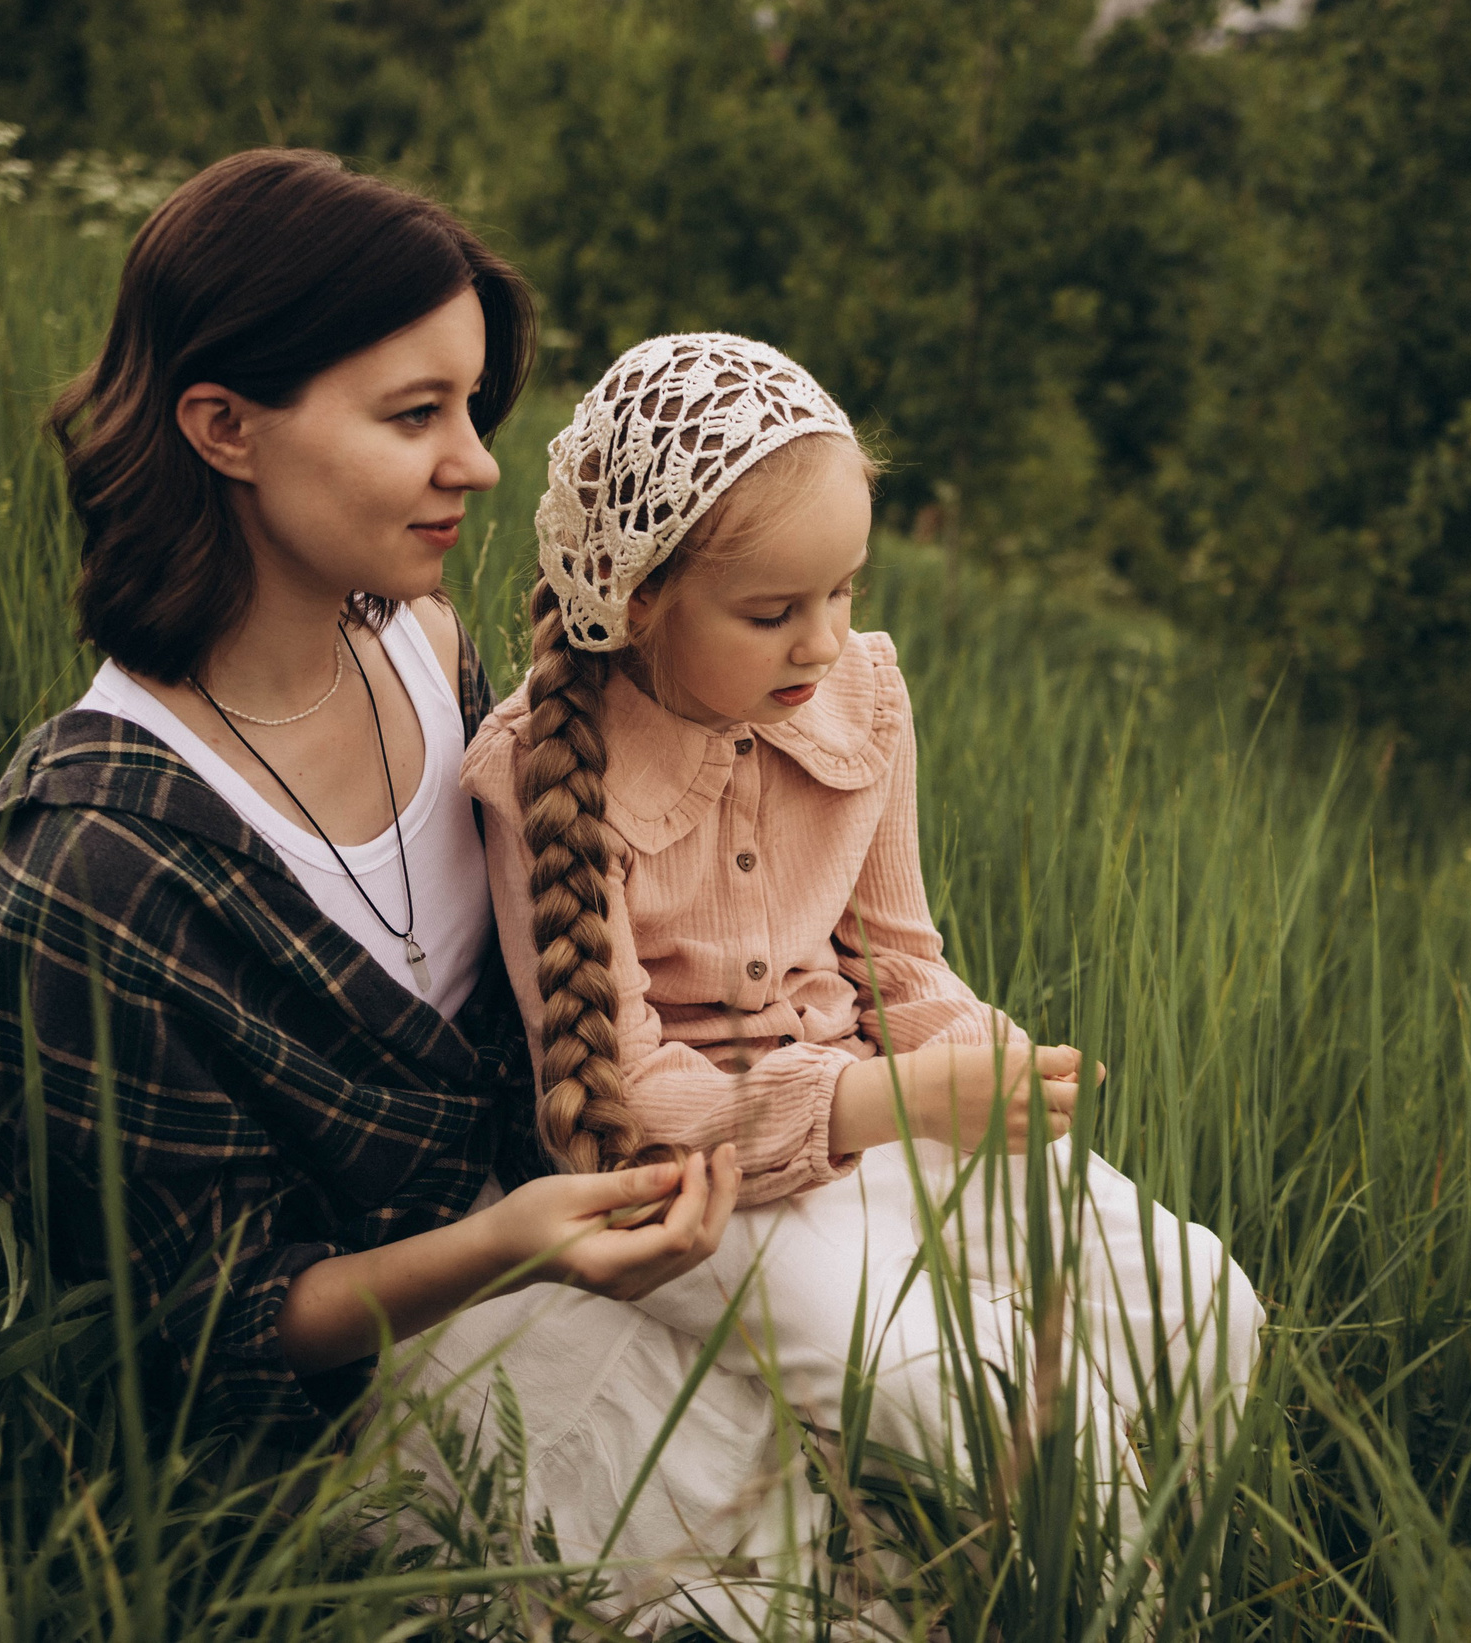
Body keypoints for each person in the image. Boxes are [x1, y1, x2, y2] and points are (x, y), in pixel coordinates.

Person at [0, 149, 744, 1441]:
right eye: (415, 415)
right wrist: (505, 1245)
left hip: (575, 1216)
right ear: (225, 425)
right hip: (387, 1386)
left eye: (472, 407)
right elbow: (200, 1323)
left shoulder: (428, 641)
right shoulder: (97, 872)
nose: (475, 464)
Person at [459, 334, 1263, 1511]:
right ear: (640, 603)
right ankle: (1051, 1586)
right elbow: (619, 1097)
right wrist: (890, 1105)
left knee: (1204, 1308)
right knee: (986, 1403)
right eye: (774, 610)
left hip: (876, 1104)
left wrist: (972, 1054)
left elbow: (900, 958)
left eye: (843, 592)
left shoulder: (862, 698)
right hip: (693, 1194)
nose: (822, 641)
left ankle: (1184, 1555)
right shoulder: (541, 775)